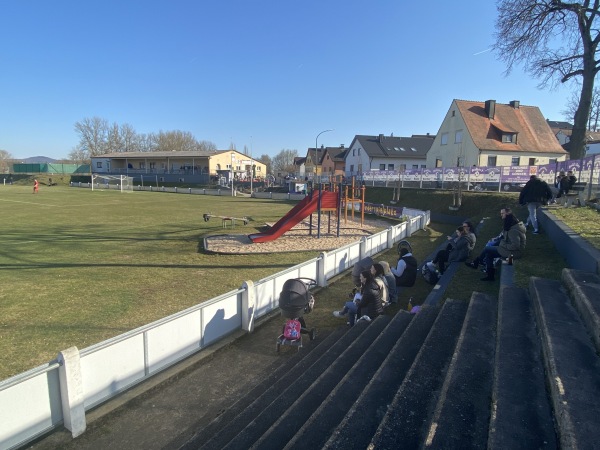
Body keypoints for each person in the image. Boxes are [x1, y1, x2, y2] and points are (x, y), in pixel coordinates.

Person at [465, 208, 526, 281]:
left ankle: (477, 262)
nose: (501, 216)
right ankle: (490, 275)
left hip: (514, 252)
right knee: (489, 254)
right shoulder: (512, 226)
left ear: (508, 217)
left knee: (487, 249)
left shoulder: (513, 230)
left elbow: (515, 246)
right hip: (509, 249)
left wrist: (503, 245)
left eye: (502, 214)